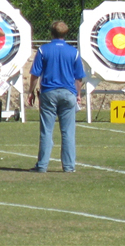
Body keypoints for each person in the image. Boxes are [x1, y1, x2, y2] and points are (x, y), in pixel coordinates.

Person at [27, 21, 85, 173]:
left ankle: (42, 165)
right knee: (68, 132)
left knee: (46, 131)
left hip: (49, 92)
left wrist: (30, 92)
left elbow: (35, 74)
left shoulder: (43, 50)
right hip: (68, 93)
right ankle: (69, 166)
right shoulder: (74, 52)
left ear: (51, 33)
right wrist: (78, 94)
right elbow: (78, 78)